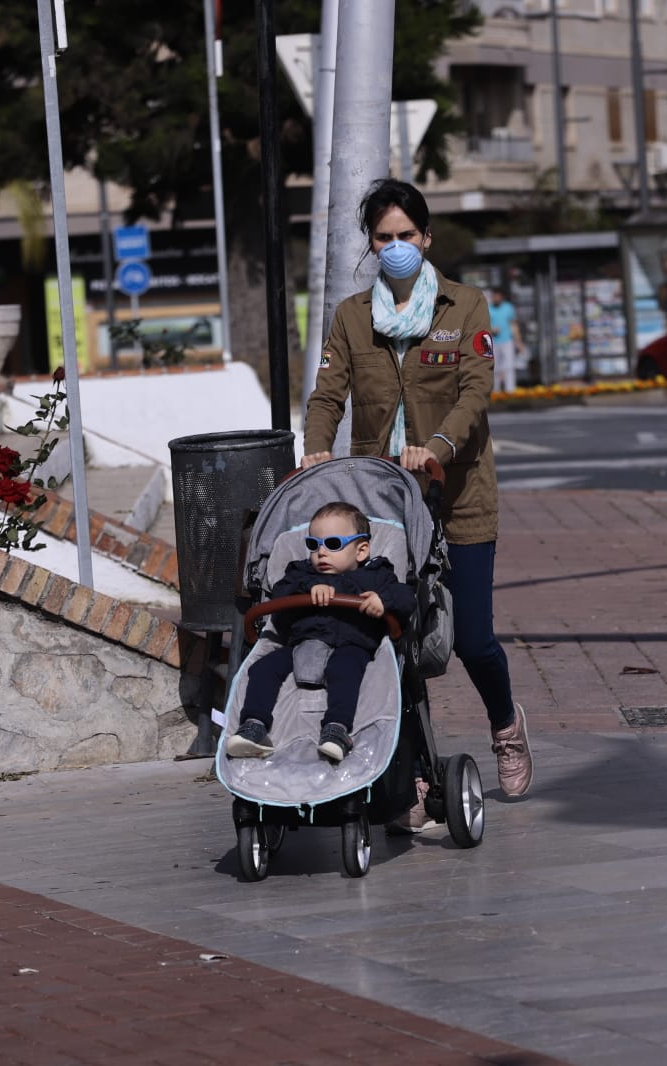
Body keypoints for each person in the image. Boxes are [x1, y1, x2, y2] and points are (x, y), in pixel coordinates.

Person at [301, 177, 534, 808]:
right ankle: (412, 769)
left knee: (470, 638)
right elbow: (327, 395)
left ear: (426, 238)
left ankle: (506, 727)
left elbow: (475, 394)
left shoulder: (465, 306)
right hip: (384, 505)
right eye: (384, 238)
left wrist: (438, 448)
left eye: (407, 235)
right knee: (391, 636)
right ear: (371, 246)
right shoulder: (353, 316)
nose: (397, 246)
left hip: (458, 497)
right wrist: (316, 447)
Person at [227, 502, 415, 763]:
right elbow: (279, 596)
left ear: (361, 550)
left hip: (352, 644)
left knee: (344, 671)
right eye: (314, 546)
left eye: (334, 544)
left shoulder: (376, 575)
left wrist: (384, 601)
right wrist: (308, 589)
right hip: (302, 645)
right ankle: (254, 726)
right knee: (262, 668)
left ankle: (337, 729)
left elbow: (405, 597)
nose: (322, 553)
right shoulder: (300, 573)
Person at [486, 288, 525, 395]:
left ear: (501, 297)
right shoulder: (488, 308)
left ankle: (510, 391)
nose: (495, 298)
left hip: (507, 340)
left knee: (509, 366)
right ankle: (495, 391)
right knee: (495, 367)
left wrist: (518, 341)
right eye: (494, 296)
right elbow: (483, 326)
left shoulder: (508, 307)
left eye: (497, 296)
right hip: (493, 342)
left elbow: (513, 324)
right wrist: (491, 329)